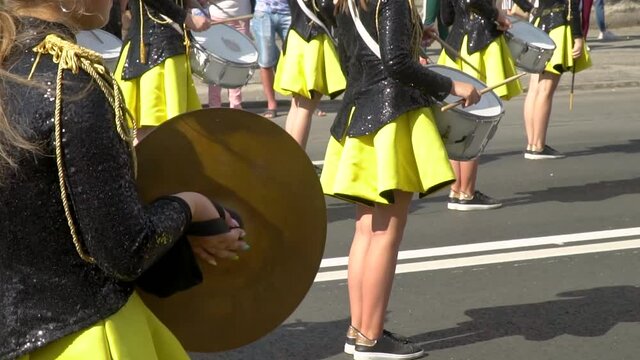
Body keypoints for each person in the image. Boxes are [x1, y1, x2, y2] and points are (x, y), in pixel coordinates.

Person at [0, 1, 247, 359]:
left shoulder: (11, 63)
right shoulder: (73, 80)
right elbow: (126, 250)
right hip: (84, 337)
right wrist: (191, 206)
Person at [321, 0, 480, 358]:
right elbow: (396, 64)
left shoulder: (346, 4)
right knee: (386, 234)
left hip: (360, 114)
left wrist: (410, 39)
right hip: (392, 118)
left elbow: (357, 58)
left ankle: (359, 328)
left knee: (365, 231)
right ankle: (371, 338)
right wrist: (451, 84)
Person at [436, 0, 531, 210]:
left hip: (456, 43)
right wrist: (497, 16)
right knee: (476, 122)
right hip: (481, 44)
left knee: (458, 122)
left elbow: (446, 17)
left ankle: (457, 190)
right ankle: (467, 194)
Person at [114, 0, 212, 142]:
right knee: (153, 129)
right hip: (152, 49)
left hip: (168, 48)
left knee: (170, 130)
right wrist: (187, 18)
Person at [273, 0, 345, 149]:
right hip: (312, 42)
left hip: (295, 38)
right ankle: (296, 163)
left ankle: (289, 156)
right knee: (305, 108)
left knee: (296, 105)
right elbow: (325, 5)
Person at [523, 0, 591, 159]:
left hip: (539, 25)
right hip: (558, 26)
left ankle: (531, 144)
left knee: (534, 88)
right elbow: (571, 5)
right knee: (545, 90)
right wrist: (578, 36)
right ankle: (538, 146)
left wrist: (530, 8)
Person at [197, 0, 253, 109]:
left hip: (241, 18)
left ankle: (236, 105)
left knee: (238, 65)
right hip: (217, 19)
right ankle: (214, 106)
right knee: (215, 65)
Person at [250, 0, 291, 118]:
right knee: (266, 61)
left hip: (289, 11)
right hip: (263, 12)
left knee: (296, 58)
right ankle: (271, 104)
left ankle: (302, 101)